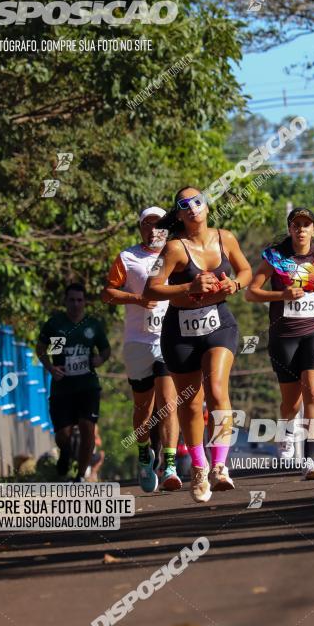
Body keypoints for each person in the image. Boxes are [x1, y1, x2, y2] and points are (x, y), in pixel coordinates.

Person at [143, 187, 252, 503]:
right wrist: (189, 285)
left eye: (197, 201)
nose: (192, 208)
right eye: (184, 205)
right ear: (178, 214)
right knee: (191, 403)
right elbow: (152, 288)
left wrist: (236, 283)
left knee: (217, 389)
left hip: (219, 324)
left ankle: (220, 465)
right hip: (180, 331)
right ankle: (200, 469)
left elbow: (245, 271)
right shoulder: (174, 249)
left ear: (206, 206)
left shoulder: (225, 238)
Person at [246, 207, 314, 480]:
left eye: (306, 224)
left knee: (313, 390)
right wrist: (281, 294)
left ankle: (310, 460)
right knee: (291, 403)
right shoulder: (275, 256)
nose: (301, 229)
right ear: (289, 229)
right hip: (284, 335)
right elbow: (251, 293)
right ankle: (286, 432)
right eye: (296, 224)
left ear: (313, 229)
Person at [101, 207, 182, 493]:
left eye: (159, 225)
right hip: (137, 341)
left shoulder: (176, 254)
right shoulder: (127, 257)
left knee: (168, 400)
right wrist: (136, 298)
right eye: (147, 225)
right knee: (142, 408)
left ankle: (170, 464)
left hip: (167, 338)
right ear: (140, 229)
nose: (153, 230)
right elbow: (107, 293)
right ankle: (145, 455)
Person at [36, 283, 111, 482]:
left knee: (88, 428)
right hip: (63, 388)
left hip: (87, 387)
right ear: (65, 301)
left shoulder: (92, 325)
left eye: (80, 300)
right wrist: (51, 368)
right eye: (72, 300)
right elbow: (41, 348)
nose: (76, 304)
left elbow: (105, 350)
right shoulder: (55, 325)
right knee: (63, 435)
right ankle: (66, 453)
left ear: (84, 302)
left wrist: (99, 360)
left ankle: (79, 475)